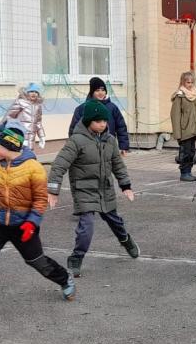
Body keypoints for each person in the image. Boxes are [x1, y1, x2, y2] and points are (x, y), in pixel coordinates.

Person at [0, 121, 74, 323]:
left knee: (38, 262)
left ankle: (64, 279)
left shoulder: (34, 168)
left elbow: (40, 200)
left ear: (8, 146)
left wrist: (31, 223)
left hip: (23, 226)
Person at [48, 98, 138, 278]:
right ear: (89, 121)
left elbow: (118, 165)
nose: (103, 124)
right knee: (86, 227)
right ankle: (76, 258)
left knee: (115, 221)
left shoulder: (110, 140)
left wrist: (126, 186)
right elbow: (59, 165)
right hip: (84, 190)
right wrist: (53, 191)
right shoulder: (76, 141)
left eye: (105, 120)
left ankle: (125, 239)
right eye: (98, 121)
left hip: (105, 189)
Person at [68, 77, 130, 156]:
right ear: (92, 92)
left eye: (103, 90)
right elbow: (74, 129)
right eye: (97, 90)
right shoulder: (82, 108)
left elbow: (121, 127)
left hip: (108, 147)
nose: (101, 93)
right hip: (88, 148)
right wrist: (74, 147)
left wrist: (123, 146)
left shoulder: (112, 108)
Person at [170, 71, 196, 182]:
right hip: (184, 131)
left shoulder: (194, 95)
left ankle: (189, 171)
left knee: (192, 152)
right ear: (183, 82)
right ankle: (184, 173)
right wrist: (177, 134)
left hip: (193, 130)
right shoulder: (180, 96)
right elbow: (175, 115)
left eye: (192, 82)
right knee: (185, 152)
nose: (190, 84)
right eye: (188, 82)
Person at [3, 82, 46, 153]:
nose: (34, 93)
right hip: (20, 135)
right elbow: (9, 117)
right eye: (31, 91)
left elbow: (38, 123)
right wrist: (5, 130)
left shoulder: (38, 106)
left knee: (29, 154)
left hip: (31, 137)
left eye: (36, 92)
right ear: (27, 92)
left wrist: (42, 136)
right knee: (18, 154)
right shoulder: (20, 102)